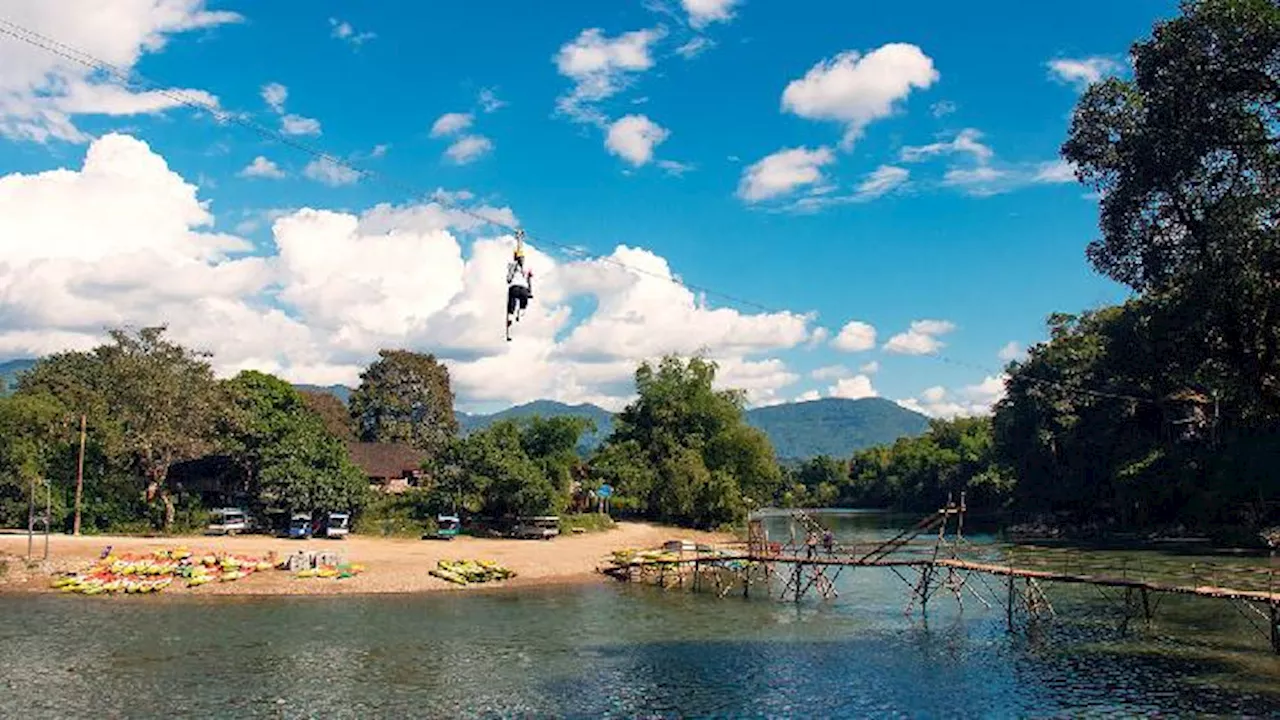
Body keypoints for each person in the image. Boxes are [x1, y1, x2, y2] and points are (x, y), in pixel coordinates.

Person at [506, 248, 532, 341]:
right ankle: (520, 312)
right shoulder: (528, 267)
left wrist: (509, 278)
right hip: (524, 288)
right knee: (523, 302)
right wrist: (530, 291)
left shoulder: (512, 265)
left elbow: (509, 278)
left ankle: (511, 314)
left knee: (512, 300)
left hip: (514, 287)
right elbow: (529, 280)